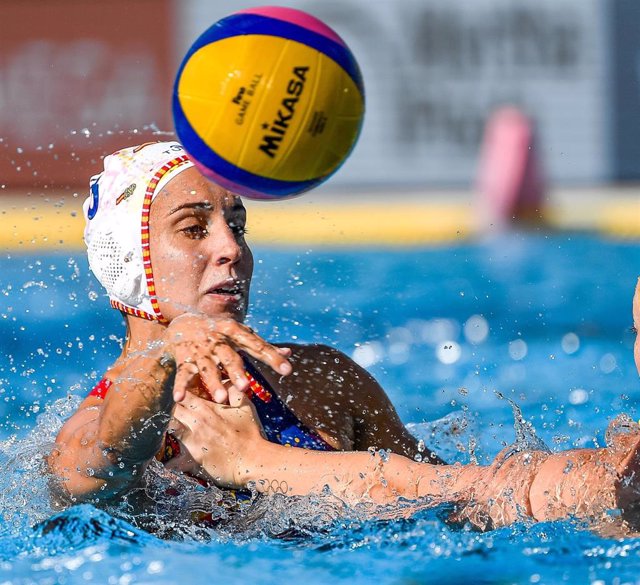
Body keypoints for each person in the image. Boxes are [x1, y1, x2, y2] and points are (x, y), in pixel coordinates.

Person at [47, 142, 640, 531]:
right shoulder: (88, 431)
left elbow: (463, 506)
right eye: (193, 229)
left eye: (237, 225)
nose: (230, 248)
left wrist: (258, 462)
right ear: (130, 264)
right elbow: (101, 467)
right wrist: (164, 351)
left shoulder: (320, 381)